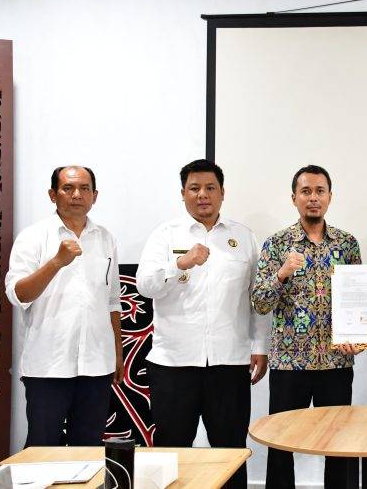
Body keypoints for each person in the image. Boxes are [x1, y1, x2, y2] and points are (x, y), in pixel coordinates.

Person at [137, 159, 269, 488]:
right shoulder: (165, 235)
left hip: (229, 363)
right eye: (194, 188)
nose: (202, 195)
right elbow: (145, 286)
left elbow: (257, 297)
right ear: (183, 193)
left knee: (230, 451)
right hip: (173, 363)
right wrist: (179, 263)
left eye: (210, 188)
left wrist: (260, 346)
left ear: (223, 193)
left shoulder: (243, 236)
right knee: (171, 452)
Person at [252, 164, 361, 489]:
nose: (313, 198)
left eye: (319, 191)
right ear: (294, 198)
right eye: (306, 191)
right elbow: (260, 302)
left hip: (336, 362)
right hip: (290, 363)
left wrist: (358, 336)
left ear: (330, 197)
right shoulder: (277, 244)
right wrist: (282, 273)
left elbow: (359, 299)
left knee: (339, 446)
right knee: (281, 445)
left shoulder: (347, 244)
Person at [5, 166, 123, 446]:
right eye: (68, 188)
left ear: (94, 196)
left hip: (97, 364)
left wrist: (117, 353)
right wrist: (56, 262)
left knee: (88, 448)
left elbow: (112, 300)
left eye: (84, 188)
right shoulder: (33, 237)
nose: (76, 195)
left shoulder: (105, 238)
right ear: (52, 195)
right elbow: (19, 294)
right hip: (49, 365)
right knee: (42, 447)